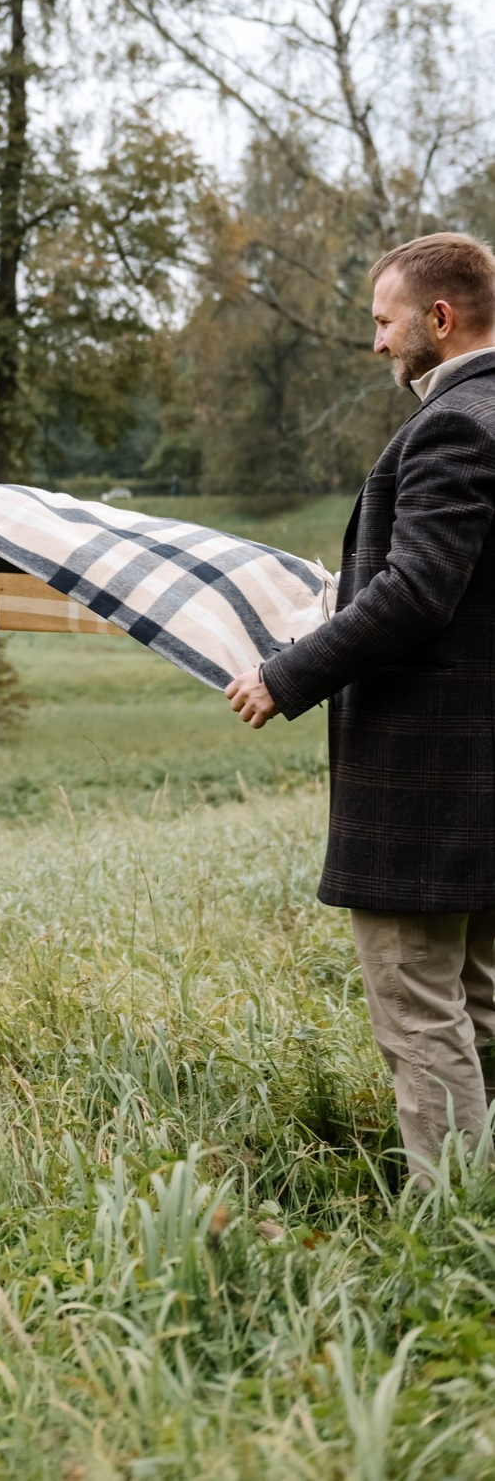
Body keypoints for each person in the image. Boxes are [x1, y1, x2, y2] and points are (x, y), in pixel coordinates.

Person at [226, 233, 495, 1181]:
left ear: (439, 318)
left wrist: (285, 673)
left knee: (418, 1004)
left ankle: (455, 1220)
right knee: (480, 1000)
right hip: (480, 779)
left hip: (432, 780)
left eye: (385, 321)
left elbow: (418, 593)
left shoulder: (455, 426)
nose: (378, 342)